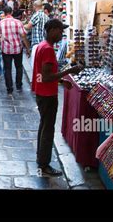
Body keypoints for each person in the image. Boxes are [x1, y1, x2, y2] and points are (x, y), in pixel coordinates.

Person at [32, 19, 83, 176]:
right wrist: (69, 71)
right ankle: (44, 164)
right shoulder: (47, 49)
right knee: (48, 129)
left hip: (42, 92)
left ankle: (41, 158)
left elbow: (43, 75)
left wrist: (61, 81)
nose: (62, 34)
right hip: (47, 94)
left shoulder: (43, 46)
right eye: (60, 31)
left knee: (44, 125)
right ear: (52, 30)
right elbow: (47, 77)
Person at [0, 6, 30, 95]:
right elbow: (23, 36)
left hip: (6, 49)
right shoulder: (18, 22)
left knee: (7, 69)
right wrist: (28, 48)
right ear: (12, 12)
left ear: (4, 13)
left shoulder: (0, 23)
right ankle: (19, 85)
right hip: (17, 48)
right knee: (18, 67)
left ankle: (9, 88)